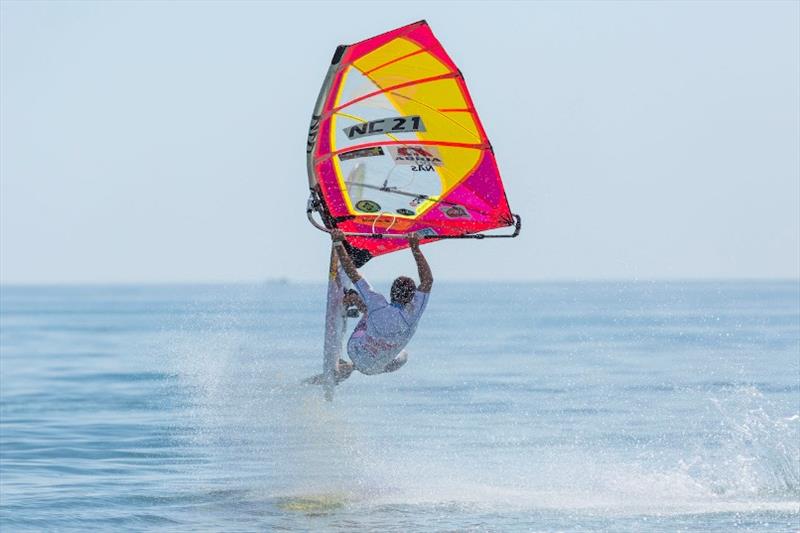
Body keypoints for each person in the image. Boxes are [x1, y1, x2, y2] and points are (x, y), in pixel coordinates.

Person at [332, 228, 433, 379]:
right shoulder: (413, 314)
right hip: (374, 368)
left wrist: (338, 242)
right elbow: (427, 281)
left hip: (354, 350)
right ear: (412, 298)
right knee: (403, 356)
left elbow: (352, 272)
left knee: (371, 313)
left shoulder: (377, 302)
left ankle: (351, 298)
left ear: (392, 293)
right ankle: (353, 368)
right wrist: (415, 247)